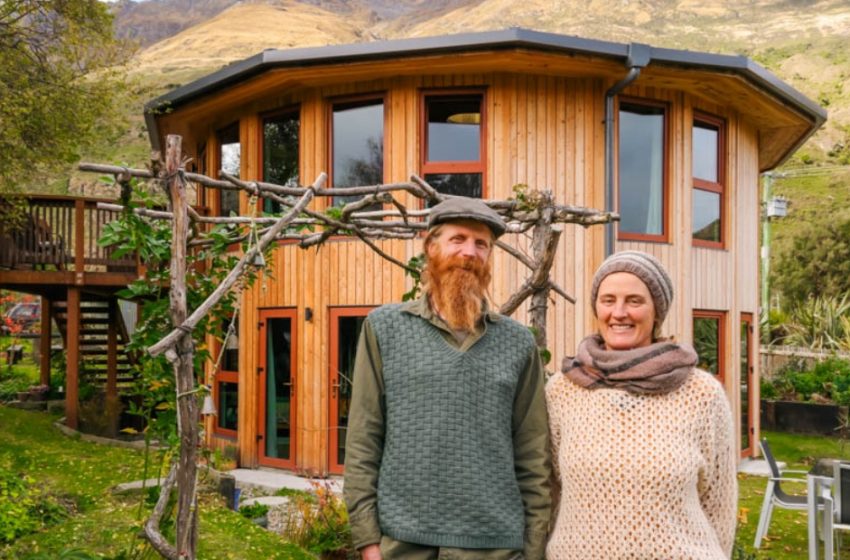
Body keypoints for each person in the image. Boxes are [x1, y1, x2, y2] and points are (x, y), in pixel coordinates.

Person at [344, 197, 551, 560]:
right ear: (431, 246)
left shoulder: (518, 343)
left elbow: (533, 456)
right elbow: (363, 440)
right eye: (458, 239)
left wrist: (533, 549)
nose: (469, 252)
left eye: (481, 243)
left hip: (495, 548)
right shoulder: (385, 329)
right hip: (403, 543)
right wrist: (369, 542)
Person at [545, 250, 737, 560]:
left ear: (657, 311)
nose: (619, 312)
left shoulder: (701, 393)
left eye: (634, 301)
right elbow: (551, 491)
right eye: (608, 300)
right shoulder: (562, 390)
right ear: (596, 307)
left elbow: (719, 505)